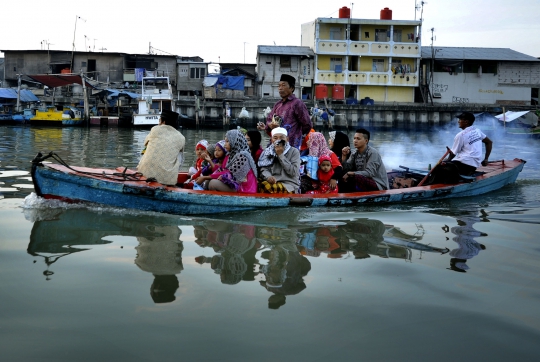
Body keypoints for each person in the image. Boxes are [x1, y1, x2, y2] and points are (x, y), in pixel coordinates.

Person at [433, 112, 493, 184]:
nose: (458, 121)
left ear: (466, 122)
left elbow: (452, 154)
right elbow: (489, 142)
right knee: (445, 165)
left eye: (460, 119)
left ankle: (433, 185)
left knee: (439, 167)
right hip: (474, 165)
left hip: (465, 165)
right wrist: (486, 159)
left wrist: (447, 161)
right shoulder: (477, 131)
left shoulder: (460, 135)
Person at [257, 74, 312, 149]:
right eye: (279, 86)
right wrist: (270, 125)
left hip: (291, 145)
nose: (280, 88)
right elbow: (269, 119)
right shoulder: (278, 104)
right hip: (275, 144)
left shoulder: (297, 103)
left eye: (283, 85)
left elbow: (307, 124)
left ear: (292, 88)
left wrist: (296, 135)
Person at [137, 110, 185, 186]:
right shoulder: (181, 138)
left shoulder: (155, 129)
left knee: (147, 147)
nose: (159, 122)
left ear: (163, 121)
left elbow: (145, 143)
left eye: (160, 120)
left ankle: (141, 168)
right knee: (179, 153)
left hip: (144, 173)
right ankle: (171, 177)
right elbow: (181, 161)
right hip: (167, 179)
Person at [207, 129, 258, 193]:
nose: (225, 145)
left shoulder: (243, 156)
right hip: (233, 183)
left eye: (228, 141)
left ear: (234, 142)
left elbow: (228, 172)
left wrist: (205, 177)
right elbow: (223, 170)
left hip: (244, 188)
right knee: (208, 181)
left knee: (213, 183)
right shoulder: (229, 155)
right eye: (225, 141)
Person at [258, 127, 301, 194]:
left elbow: (293, 172)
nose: (278, 140)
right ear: (271, 140)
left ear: (287, 139)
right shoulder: (267, 152)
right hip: (273, 181)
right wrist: (268, 177)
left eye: (281, 138)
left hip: (289, 184)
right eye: (275, 138)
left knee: (266, 187)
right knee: (257, 183)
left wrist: (280, 155)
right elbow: (264, 169)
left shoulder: (294, 152)